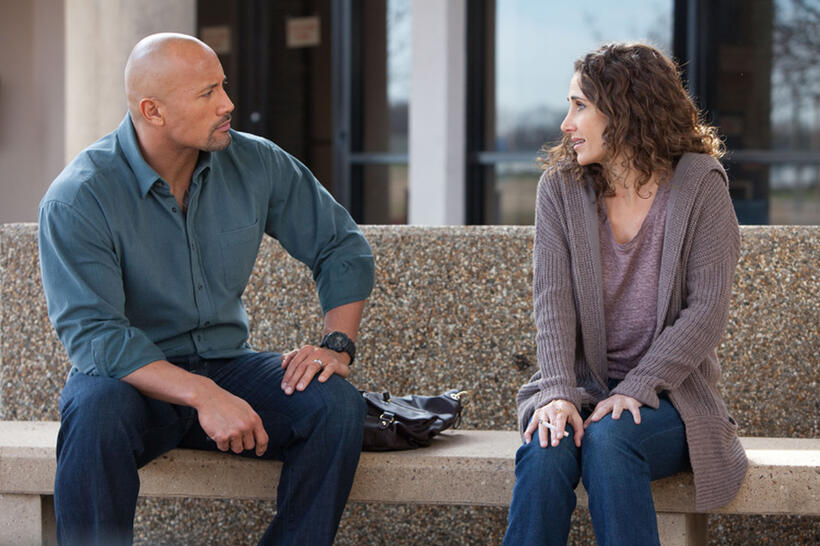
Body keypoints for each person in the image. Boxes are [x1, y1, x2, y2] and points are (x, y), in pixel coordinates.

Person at [38, 33, 374, 546]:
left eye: (223, 85)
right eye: (206, 93)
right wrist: (204, 396)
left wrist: (336, 345)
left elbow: (340, 245)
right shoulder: (79, 198)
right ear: (153, 111)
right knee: (94, 410)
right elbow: (97, 339)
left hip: (227, 364)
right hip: (131, 382)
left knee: (335, 406)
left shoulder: (256, 163)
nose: (228, 104)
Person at [503, 43, 747, 545]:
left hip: (668, 397)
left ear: (625, 106)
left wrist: (638, 385)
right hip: (579, 384)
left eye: (580, 105)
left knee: (610, 441)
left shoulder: (702, 187)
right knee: (546, 446)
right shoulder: (560, 190)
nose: (566, 123)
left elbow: (706, 311)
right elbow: (552, 305)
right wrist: (555, 393)